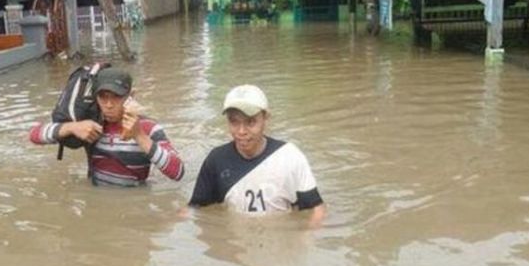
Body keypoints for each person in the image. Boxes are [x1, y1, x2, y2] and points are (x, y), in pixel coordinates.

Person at [189, 85, 325, 226]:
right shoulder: (216, 160)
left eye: (250, 122)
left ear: (265, 118)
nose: (241, 131)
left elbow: (316, 210)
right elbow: (195, 210)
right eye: (234, 121)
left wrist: (304, 240)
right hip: (237, 243)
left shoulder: (290, 157)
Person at [30, 67, 184, 186]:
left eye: (116, 97)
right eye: (103, 97)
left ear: (131, 95)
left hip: (133, 212)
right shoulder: (91, 125)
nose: (109, 105)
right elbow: (34, 135)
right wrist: (71, 127)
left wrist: (139, 136)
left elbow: (178, 172)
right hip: (95, 207)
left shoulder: (148, 128)